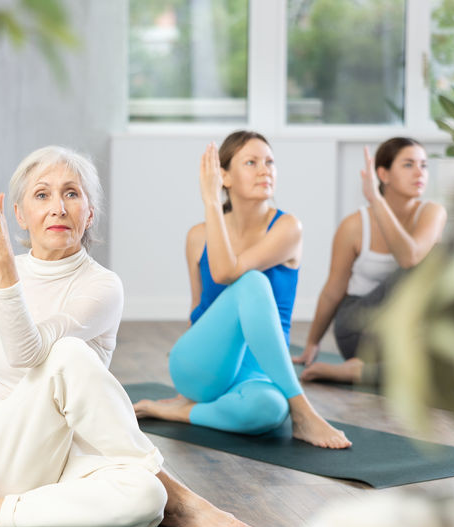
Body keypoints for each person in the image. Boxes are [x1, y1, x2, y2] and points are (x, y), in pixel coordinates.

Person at [0, 146, 252, 527]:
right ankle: (184, 498)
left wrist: (1, 261)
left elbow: (31, 353)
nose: (58, 207)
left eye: (71, 193)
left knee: (146, 498)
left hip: (60, 451)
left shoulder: (103, 286)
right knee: (69, 353)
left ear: (89, 213)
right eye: (42, 195)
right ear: (19, 214)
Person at [133, 131, 351, 449]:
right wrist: (211, 200)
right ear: (224, 176)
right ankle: (303, 411)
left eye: (270, 162)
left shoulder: (288, 228)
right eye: (251, 162)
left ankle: (182, 413)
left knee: (270, 411)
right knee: (252, 281)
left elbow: (228, 271)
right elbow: (206, 297)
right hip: (201, 367)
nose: (265, 170)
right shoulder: (198, 236)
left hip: (258, 372)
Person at [294, 137, 454, 392]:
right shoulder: (355, 226)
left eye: (424, 165)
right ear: (383, 174)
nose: (419, 172)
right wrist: (312, 344)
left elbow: (414, 260)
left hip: (407, 329)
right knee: (438, 258)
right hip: (359, 330)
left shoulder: (433, 213)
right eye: (408, 165)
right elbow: (335, 289)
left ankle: (364, 372)